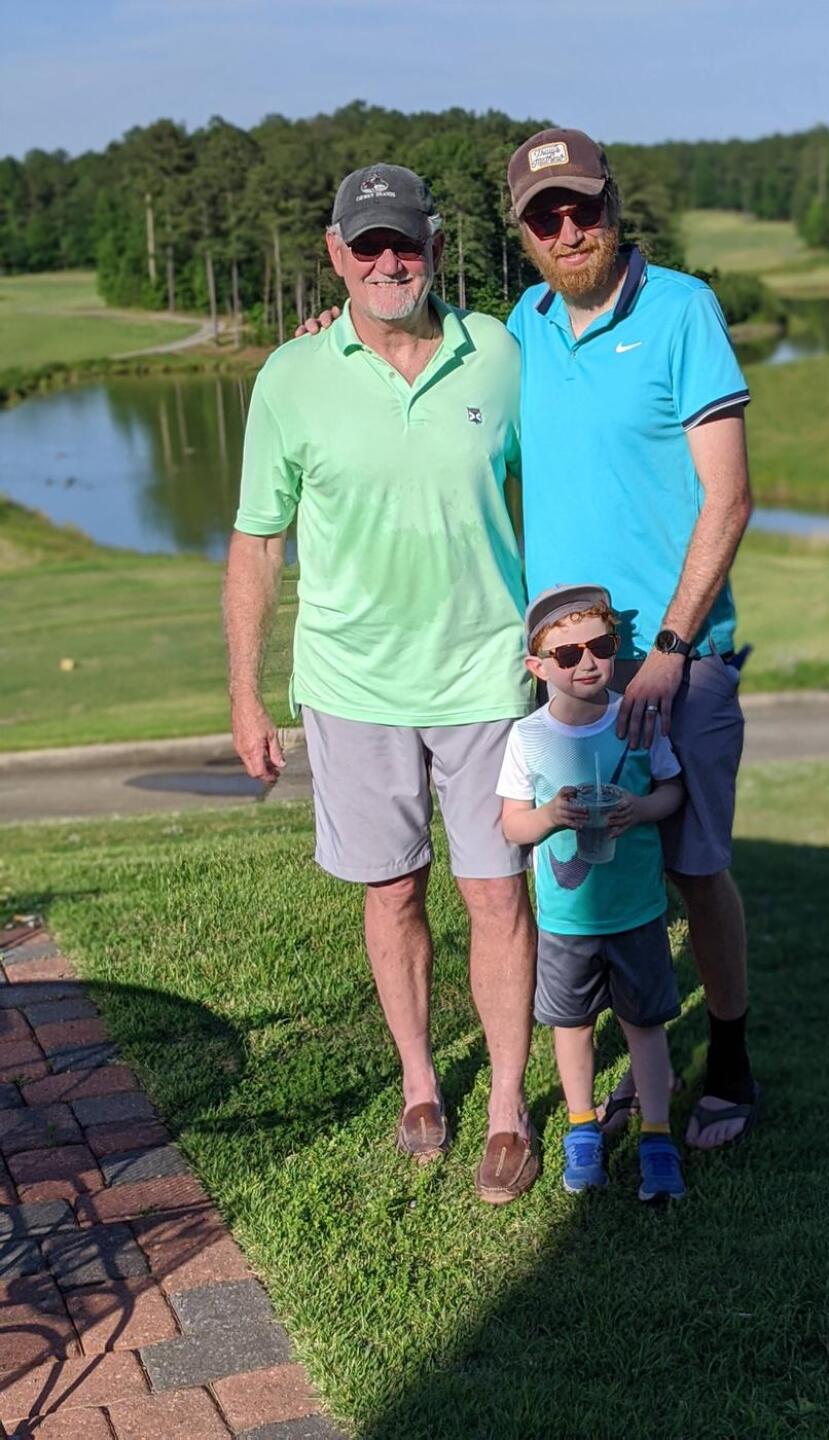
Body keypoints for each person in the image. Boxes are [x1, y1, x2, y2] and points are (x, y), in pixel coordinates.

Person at [225, 163, 540, 1204]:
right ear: (335, 255)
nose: (388, 261)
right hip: (351, 685)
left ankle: (504, 1108)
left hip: (489, 674)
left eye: (404, 241)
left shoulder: (499, 352)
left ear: (436, 244)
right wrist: (245, 693)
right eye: (368, 246)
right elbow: (258, 544)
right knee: (392, 887)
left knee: (496, 892)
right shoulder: (291, 375)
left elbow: (560, 470)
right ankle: (418, 1084)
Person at [505, 129, 761, 1149]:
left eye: (584, 207)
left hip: (673, 661)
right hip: (573, 672)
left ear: (614, 204)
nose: (571, 230)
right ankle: (645, 1054)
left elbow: (729, 497)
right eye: (546, 216)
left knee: (694, 868)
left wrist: (669, 644)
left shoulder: (682, 311)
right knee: (603, 863)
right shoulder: (521, 325)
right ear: (524, 234)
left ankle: (732, 1061)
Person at [498, 584, 687, 1200]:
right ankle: (582, 1128)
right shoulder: (528, 737)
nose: (585, 662)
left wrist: (642, 807)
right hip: (566, 919)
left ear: (616, 649)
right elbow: (512, 824)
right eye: (566, 653)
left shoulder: (637, 718)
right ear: (537, 667)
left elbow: (672, 792)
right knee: (572, 1024)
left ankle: (657, 1135)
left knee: (645, 1024)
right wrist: (550, 815)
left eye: (601, 646)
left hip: (636, 910)